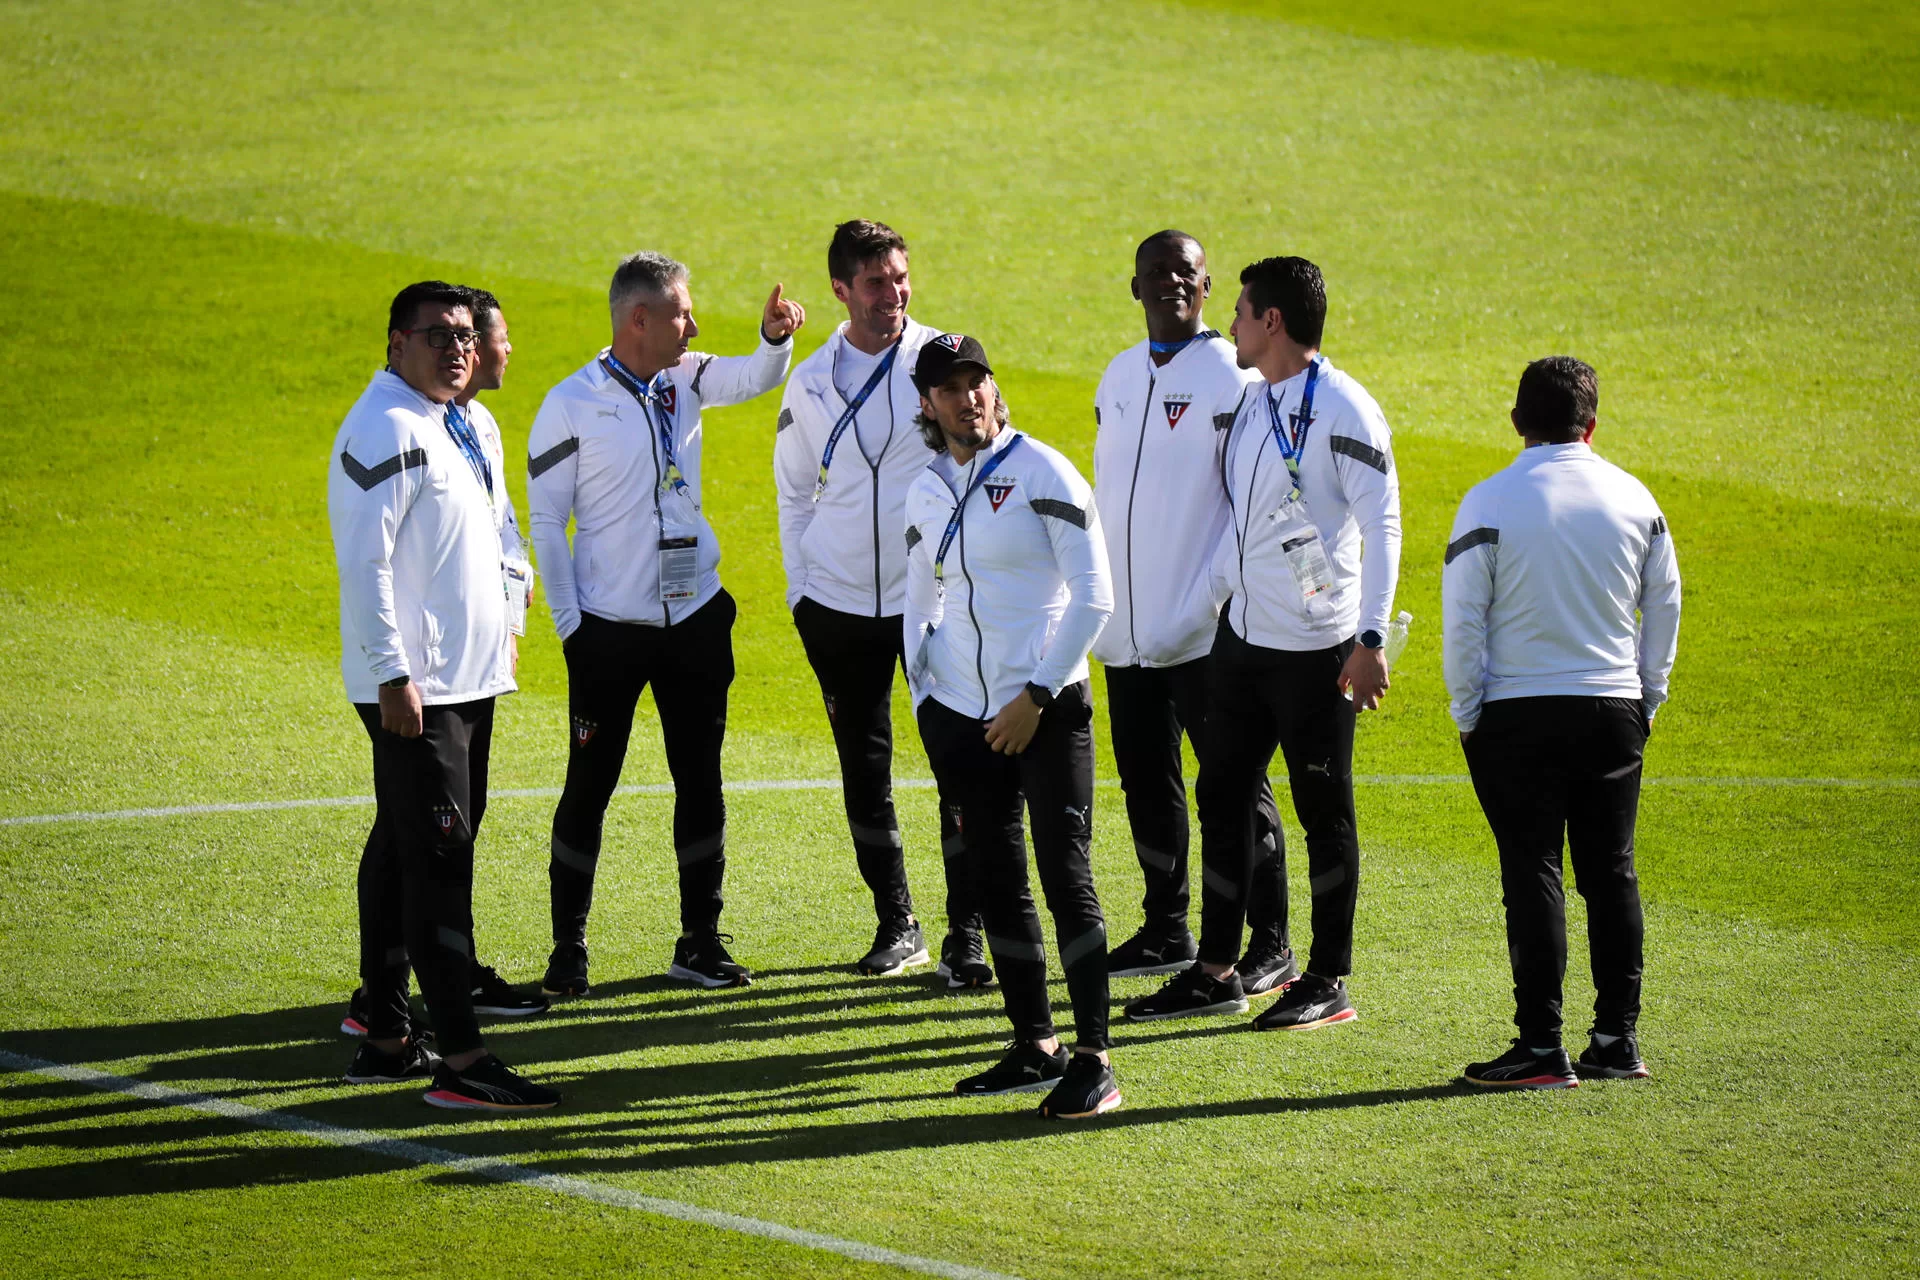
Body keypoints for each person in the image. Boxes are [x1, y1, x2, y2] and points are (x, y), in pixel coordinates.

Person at [1125, 255, 1401, 1031]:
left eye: (1241, 312)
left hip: (1319, 651)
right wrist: (1202, 610)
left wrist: (1371, 637)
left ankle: (1327, 977)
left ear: (1270, 321)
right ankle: (1217, 968)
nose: (1232, 325)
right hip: (1241, 643)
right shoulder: (1255, 403)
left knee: (1323, 812)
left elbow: (1383, 526)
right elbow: (1245, 526)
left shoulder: (1346, 409)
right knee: (1222, 797)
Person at [526, 252, 803, 995]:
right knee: (589, 784)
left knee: (701, 778)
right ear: (638, 319)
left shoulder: (685, 377)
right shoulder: (571, 403)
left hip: (697, 620)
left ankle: (700, 941)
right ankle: (568, 949)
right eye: (683, 311)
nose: (695, 324)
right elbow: (548, 522)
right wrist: (570, 629)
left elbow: (753, 376)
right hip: (609, 630)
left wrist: (775, 340)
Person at [327, 280, 558, 1111]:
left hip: (467, 678)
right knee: (438, 867)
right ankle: (459, 1062)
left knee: (402, 849)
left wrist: (512, 601)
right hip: (417, 689)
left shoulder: (469, 420)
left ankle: (386, 1035)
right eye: (436, 336)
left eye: (465, 335)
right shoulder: (385, 427)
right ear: (396, 344)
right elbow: (367, 564)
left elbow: (497, 524)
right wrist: (392, 674)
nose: (457, 349)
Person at [1447, 357, 1679, 1089]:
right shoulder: (1635, 498)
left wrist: (1467, 711)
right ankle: (1616, 1041)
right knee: (1611, 873)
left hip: (1515, 712)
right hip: (1613, 709)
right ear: (1592, 423)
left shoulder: (1487, 500)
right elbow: (1666, 602)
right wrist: (1648, 695)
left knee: (1533, 871)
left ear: (1517, 420)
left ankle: (1541, 1047)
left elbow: (1463, 622)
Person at [904, 333, 1121, 1119]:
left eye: (978, 381)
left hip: (1046, 709)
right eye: (952, 387)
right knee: (999, 882)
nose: (969, 397)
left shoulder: (1043, 471)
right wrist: (924, 692)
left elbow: (1094, 598)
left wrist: (1033, 694)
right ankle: (1036, 1044)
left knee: (1067, 879)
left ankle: (1095, 1059)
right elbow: (919, 594)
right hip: (962, 715)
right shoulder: (925, 488)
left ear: (994, 389)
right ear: (928, 404)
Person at [773, 220, 987, 985]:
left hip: (929, 602)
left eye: (901, 277)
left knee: (959, 765)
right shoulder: (810, 379)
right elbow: (794, 493)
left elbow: (987, 462)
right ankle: (898, 923)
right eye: (876, 282)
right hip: (835, 607)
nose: (894, 293)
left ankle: (968, 931)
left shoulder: (944, 362)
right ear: (841, 290)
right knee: (863, 768)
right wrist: (803, 590)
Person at [1091, 230, 1289, 994]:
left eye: (1187, 272)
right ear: (1134, 287)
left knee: (1235, 790)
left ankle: (1269, 940)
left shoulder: (1231, 378)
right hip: (1128, 632)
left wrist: (1210, 597)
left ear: (1206, 285)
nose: (1173, 282)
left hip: (1207, 634)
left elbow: (1250, 505)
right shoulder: (1116, 376)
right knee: (1148, 784)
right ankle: (1165, 928)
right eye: (1157, 272)